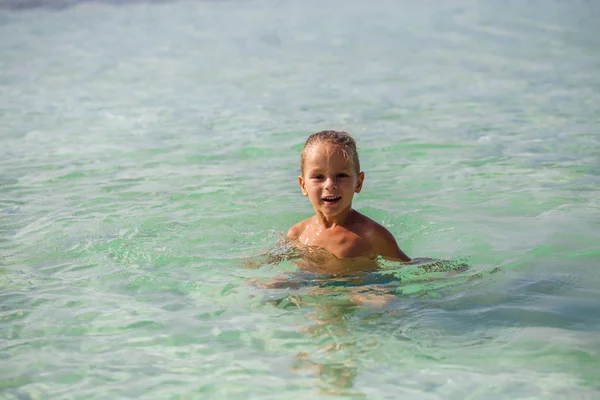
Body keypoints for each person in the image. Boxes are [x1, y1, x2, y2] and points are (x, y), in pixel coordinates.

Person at [286, 130, 411, 273]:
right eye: (319, 176)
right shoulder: (298, 233)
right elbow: (274, 258)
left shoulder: (371, 235)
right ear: (303, 185)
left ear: (358, 183)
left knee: (378, 296)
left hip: (359, 287)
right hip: (310, 283)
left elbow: (409, 266)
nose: (330, 184)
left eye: (341, 175)